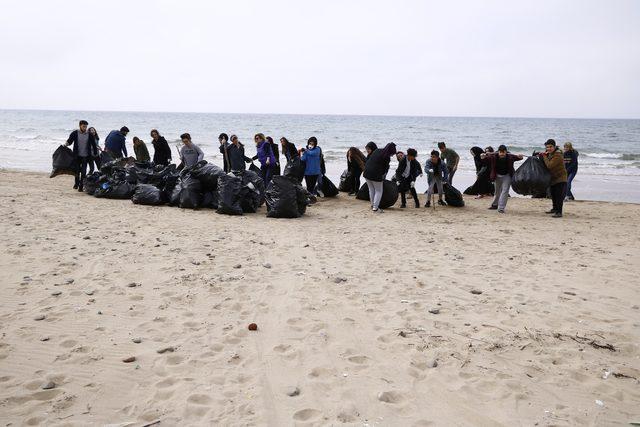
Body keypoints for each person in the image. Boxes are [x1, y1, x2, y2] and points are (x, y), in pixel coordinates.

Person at [482, 145, 523, 213]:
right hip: (497, 176)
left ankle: (501, 208)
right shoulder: (493, 156)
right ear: (498, 152)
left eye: (503, 152)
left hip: (507, 176)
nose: (502, 154)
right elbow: (485, 160)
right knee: (497, 192)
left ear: (506, 152)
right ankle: (495, 205)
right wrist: (482, 156)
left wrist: (520, 156)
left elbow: (519, 158)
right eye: (500, 152)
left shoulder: (510, 156)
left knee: (505, 191)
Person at [363, 142, 397, 213]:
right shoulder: (386, 156)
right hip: (375, 174)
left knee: (371, 189)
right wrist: (383, 176)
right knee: (378, 191)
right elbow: (385, 169)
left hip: (366, 172)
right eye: (392, 153)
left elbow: (370, 160)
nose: (392, 155)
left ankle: (372, 205)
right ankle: (375, 208)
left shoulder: (377, 150)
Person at [538, 139, 567, 218]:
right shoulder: (551, 154)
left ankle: (559, 212)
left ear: (554, 146)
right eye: (547, 147)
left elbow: (549, 165)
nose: (549, 149)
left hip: (560, 178)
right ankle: (554, 209)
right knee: (553, 195)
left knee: (558, 196)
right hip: (553, 178)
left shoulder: (558, 155)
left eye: (550, 147)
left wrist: (544, 156)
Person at [65, 120, 98, 191]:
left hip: (85, 156)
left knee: (83, 172)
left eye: (86, 126)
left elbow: (93, 144)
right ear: (80, 126)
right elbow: (69, 141)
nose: (85, 128)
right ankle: (76, 183)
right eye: (83, 126)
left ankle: (81, 186)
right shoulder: (75, 133)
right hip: (76, 156)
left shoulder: (89, 134)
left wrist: (95, 152)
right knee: (76, 171)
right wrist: (65, 145)